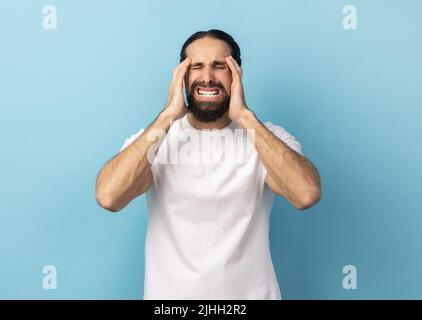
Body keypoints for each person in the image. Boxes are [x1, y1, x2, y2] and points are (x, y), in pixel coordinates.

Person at [96, 29, 321, 299]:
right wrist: (167, 116)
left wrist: (246, 118)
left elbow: (306, 194)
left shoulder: (266, 138)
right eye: (196, 67)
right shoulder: (156, 139)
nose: (207, 77)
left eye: (219, 66)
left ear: (236, 74)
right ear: (183, 76)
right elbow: (109, 196)